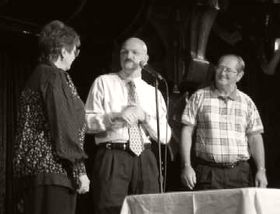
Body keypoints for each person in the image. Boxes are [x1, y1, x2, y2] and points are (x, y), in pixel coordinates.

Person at [85, 37, 171, 213]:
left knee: (149, 209)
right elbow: (86, 123)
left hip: (145, 158)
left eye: (134, 52)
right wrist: (115, 116)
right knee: (110, 209)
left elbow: (166, 136)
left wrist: (145, 117)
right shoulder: (104, 82)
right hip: (113, 156)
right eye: (124, 51)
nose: (128, 55)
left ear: (145, 59)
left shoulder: (152, 91)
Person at [13, 20, 90, 214]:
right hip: (54, 173)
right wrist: (79, 170)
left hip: (32, 173)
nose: (75, 56)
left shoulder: (37, 74)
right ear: (64, 51)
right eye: (75, 51)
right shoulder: (55, 76)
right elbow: (64, 125)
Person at [180, 54, 268, 190]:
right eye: (220, 68)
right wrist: (187, 165)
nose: (222, 73)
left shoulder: (247, 102)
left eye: (228, 70)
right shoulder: (199, 96)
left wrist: (261, 170)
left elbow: (255, 137)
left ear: (239, 76)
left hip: (239, 174)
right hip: (207, 173)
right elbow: (187, 131)